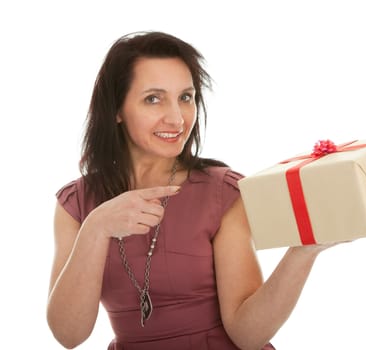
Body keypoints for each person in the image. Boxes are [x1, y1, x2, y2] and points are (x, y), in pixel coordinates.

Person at [47, 31, 335, 350]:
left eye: (186, 97)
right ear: (116, 109)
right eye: (153, 98)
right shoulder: (77, 204)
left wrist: (303, 251)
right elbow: (69, 335)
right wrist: (96, 229)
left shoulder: (223, 192)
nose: (177, 118)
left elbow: (248, 334)